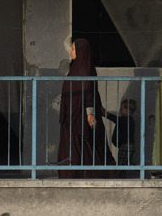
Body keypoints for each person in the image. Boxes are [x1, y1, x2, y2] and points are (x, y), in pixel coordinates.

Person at [57, 38, 112, 178]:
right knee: (75, 143)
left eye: (73, 49)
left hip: (80, 114)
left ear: (81, 51)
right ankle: (74, 172)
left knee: (81, 142)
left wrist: (90, 113)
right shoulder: (77, 68)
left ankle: (79, 172)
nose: (71, 51)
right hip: (73, 113)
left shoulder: (83, 69)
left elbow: (88, 92)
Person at [104, 96, 140, 173]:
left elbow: (115, 119)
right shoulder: (128, 119)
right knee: (126, 163)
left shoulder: (126, 120)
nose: (120, 110)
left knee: (121, 164)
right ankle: (137, 168)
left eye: (121, 108)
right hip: (128, 145)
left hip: (126, 145)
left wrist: (105, 114)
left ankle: (136, 169)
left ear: (127, 110)